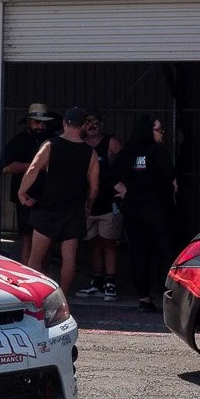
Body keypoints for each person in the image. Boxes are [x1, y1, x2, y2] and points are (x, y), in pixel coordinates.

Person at [18, 107, 100, 299]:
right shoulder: (91, 153)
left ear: (64, 123)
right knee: (69, 259)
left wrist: (22, 192)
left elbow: (33, 168)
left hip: (49, 208)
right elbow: (94, 187)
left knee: (36, 257)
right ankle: (62, 298)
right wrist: (88, 207)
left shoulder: (50, 145)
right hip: (74, 210)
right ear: (82, 126)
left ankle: (33, 297)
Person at [117, 114, 179, 311]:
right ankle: (169, 297)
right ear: (148, 131)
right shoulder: (158, 153)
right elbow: (172, 182)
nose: (162, 134)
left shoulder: (127, 153)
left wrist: (126, 191)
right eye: (159, 130)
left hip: (133, 212)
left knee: (138, 254)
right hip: (158, 212)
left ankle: (143, 298)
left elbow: (110, 176)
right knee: (165, 253)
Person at [76, 110, 125, 301]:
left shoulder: (111, 142)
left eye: (95, 121)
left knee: (109, 243)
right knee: (93, 244)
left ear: (101, 124)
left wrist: (123, 187)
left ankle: (110, 283)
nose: (91, 125)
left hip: (109, 203)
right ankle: (96, 282)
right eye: (87, 122)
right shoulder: (79, 144)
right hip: (88, 204)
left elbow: (127, 163)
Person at [2, 103, 57, 262]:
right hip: (25, 198)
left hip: (49, 197)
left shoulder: (54, 140)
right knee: (27, 239)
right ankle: (27, 273)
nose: (41, 126)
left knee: (47, 241)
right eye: (37, 122)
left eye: (44, 122)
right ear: (28, 121)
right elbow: (6, 168)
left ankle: (43, 274)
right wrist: (35, 166)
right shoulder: (18, 140)